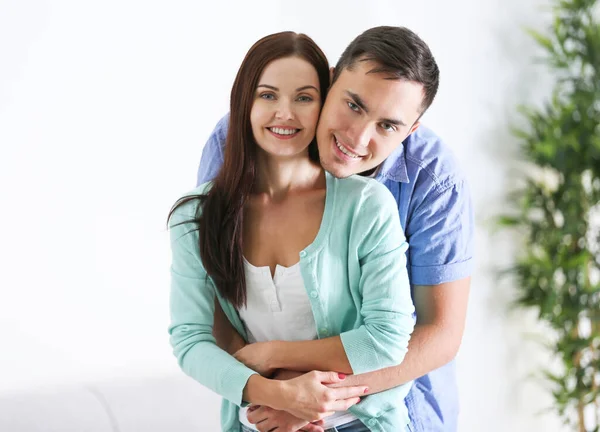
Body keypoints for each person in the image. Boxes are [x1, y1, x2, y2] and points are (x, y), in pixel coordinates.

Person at [198, 26, 474, 432]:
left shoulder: (433, 180)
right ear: (330, 79)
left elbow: (440, 333)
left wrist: (315, 400)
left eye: (388, 126)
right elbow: (212, 294)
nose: (358, 137)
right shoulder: (242, 138)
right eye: (354, 105)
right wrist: (275, 391)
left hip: (395, 409)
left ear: (411, 130)